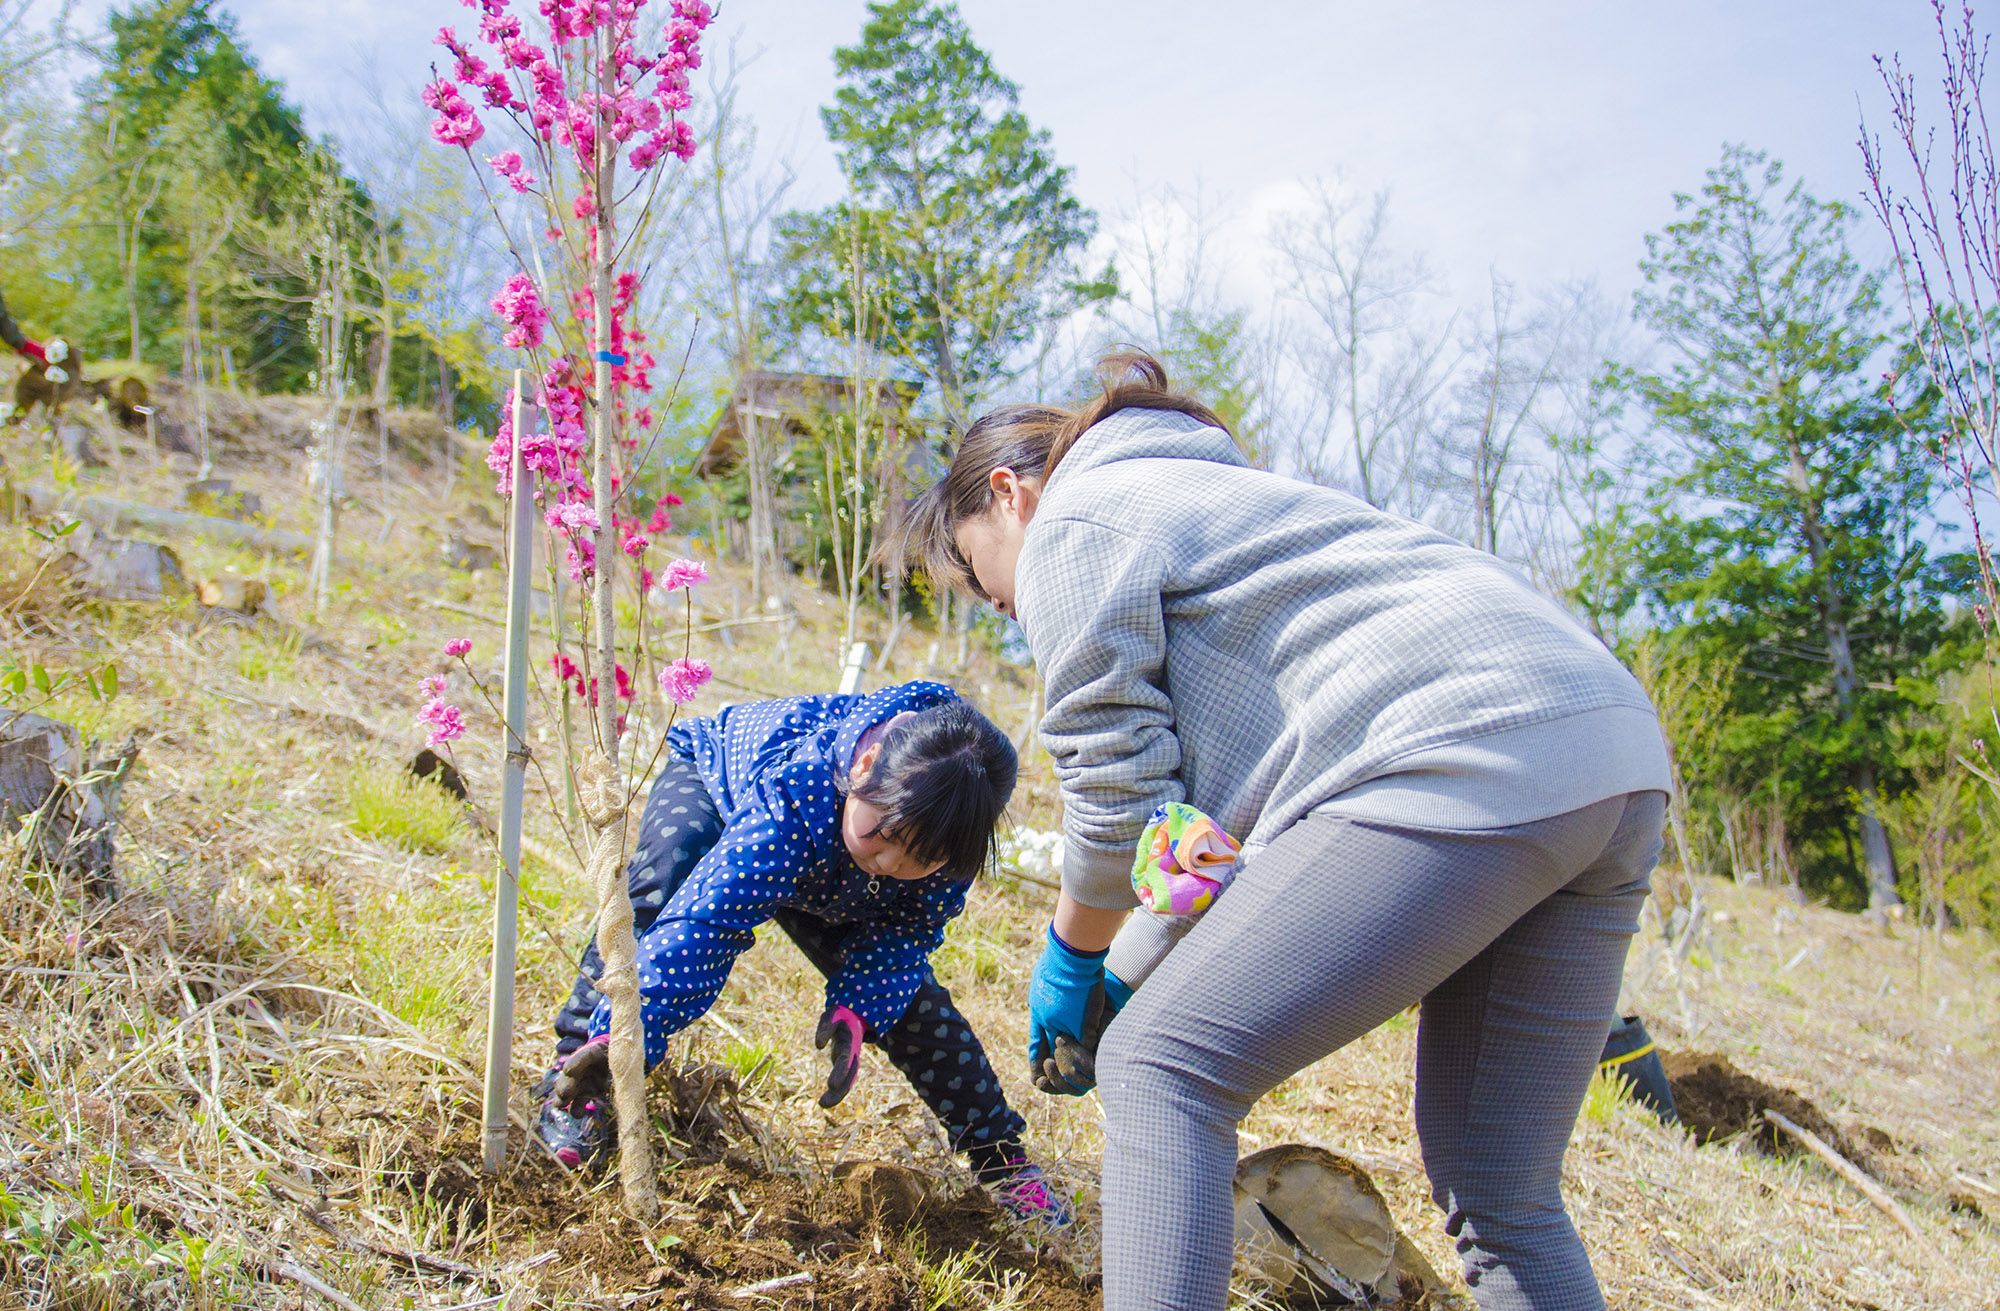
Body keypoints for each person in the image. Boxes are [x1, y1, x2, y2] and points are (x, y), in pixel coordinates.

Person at [907, 353, 1671, 1311]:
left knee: (1159, 1069)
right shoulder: (1224, 510)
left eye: (987, 582)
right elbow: (1201, 855)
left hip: (1457, 748)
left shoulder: (1076, 521)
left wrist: (1069, 958)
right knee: (1500, 1189)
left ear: (1009, 494)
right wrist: (1128, 970)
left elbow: (1112, 804)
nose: (1007, 608)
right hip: (1607, 750)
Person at [537, 681, 1069, 1226]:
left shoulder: (945, 854)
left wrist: (859, 1010)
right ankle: (579, 1072)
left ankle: (1003, 1162)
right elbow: (710, 920)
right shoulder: (799, 789)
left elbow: (904, 940)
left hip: (834, 875)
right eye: (884, 835)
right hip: (720, 790)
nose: (889, 862)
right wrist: (629, 1034)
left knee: (914, 1003)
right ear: (864, 766)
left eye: (920, 858)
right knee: (659, 894)